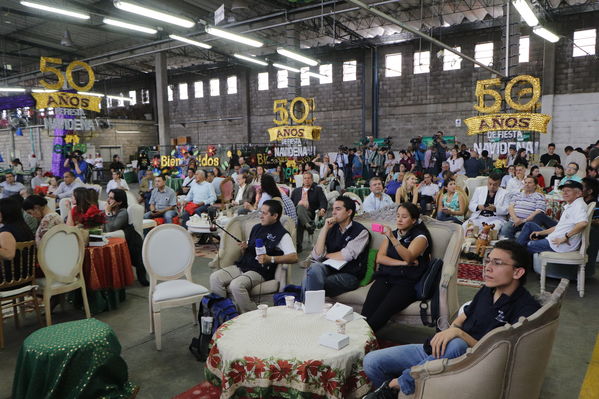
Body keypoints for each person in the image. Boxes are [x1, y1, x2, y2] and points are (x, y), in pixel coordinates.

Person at [363, 240, 540, 398]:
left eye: (498, 263)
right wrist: (450, 330)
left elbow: (498, 352)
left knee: (457, 344)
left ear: (517, 272)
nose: (488, 267)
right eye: (488, 260)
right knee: (372, 361)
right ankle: (396, 393)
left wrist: (458, 334)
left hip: (470, 363)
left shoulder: (526, 310)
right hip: (445, 351)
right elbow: (465, 315)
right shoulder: (488, 290)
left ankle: (396, 385)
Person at [209, 200, 298, 312]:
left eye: (264, 213)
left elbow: (294, 257)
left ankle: (251, 317)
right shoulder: (257, 227)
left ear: (275, 216)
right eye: (261, 212)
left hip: (260, 271)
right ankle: (224, 313)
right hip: (243, 265)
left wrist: (270, 258)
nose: (260, 216)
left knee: (236, 285)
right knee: (215, 278)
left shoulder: (282, 234)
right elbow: (253, 242)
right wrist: (246, 245)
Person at [361, 203, 432, 332]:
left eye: (404, 217)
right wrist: (402, 263)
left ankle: (364, 339)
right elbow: (380, 258)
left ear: (414, 220)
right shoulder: (393, 234)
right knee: (367, 311)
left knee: (381, 313)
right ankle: (361, 336)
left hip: (407, 282)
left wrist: (393, 239)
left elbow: (408, 257)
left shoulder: (420, 237)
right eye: (398, 216)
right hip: (386, 277)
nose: (399, 219)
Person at [302, 196, 370, 298]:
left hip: (350, 274)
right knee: (314, 269)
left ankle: (307, 307)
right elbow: (316, 255)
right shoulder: (332, 228)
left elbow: (346, 255)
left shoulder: (361, 232)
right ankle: (310, 308)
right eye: (333, 209)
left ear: (349, 212)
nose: (333, 212)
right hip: (330, 269)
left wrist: (325, 255)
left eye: (338, 209)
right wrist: (325, 228)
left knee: (318, 281)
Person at [517, 180, 588, 260]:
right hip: (555, 237)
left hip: (560, 244)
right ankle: (516, 254)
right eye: (563, 191)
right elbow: (558, 227)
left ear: (578, 193)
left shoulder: (579, 206)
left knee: (530, 244)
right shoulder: (572, 204)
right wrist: (541, 232)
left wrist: (566, 237)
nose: (564, 193)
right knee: (529, 225)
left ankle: (515, 256)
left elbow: (583, 223)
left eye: (568, 191)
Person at [104, 189, 148, 286]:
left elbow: (111, 228)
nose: (108, 200)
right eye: (108, 197)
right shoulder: (112, 210)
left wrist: (107, 212)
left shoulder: (123, 212)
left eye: (111, 198)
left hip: (131, 239)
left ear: (119, 201)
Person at [0, 197, 35, 287]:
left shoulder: (6, 232)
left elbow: (8, 254)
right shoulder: (24, 227)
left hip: (9, 281)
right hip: (26, 277)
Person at [290, 172, 327, 252]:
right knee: (299, 213)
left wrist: (322, 209)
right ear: (303, 180)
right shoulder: (296, 191)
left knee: (300, 212)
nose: (307, 180)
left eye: (309, 178)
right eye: (305, 178)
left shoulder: (317, 189)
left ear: (312, 180)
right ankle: (309, 226)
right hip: (298, 214)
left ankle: (298, 245)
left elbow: (323, 201)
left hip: (310, 213)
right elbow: (291, 204)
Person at [582, 177, 599, 276]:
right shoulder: (580, 202)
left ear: (590, 191)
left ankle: (588, 270)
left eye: (582, 187)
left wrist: (588, 221)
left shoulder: (595, 204)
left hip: (589, 231)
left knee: (594, 231)